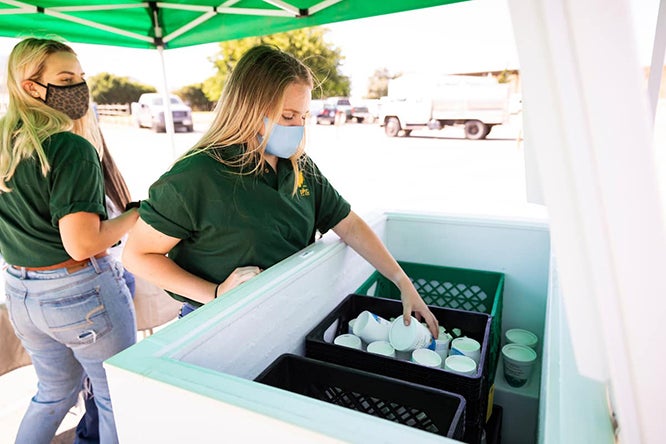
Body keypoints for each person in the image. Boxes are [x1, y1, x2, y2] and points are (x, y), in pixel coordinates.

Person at [122, 44, 439, 335]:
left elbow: (349, 224)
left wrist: (400, 280)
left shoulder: (299, 167)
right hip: (217, 324)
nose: (297, 127)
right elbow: (137, 255)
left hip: (283, 316)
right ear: (247, 108)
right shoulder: (195, 176)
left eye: (303, 116)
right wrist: (215, 293)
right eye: (287, 116)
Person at [0, 37, 138, 444]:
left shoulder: (7, 148)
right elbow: (83, 243)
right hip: (79, 292)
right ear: (30, 86)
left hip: (21, 293)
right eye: (65, 79)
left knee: (52, 396)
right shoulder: (70, 147)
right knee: (117, 398)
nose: (78, 88)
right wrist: (135, 215)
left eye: (81, 78)